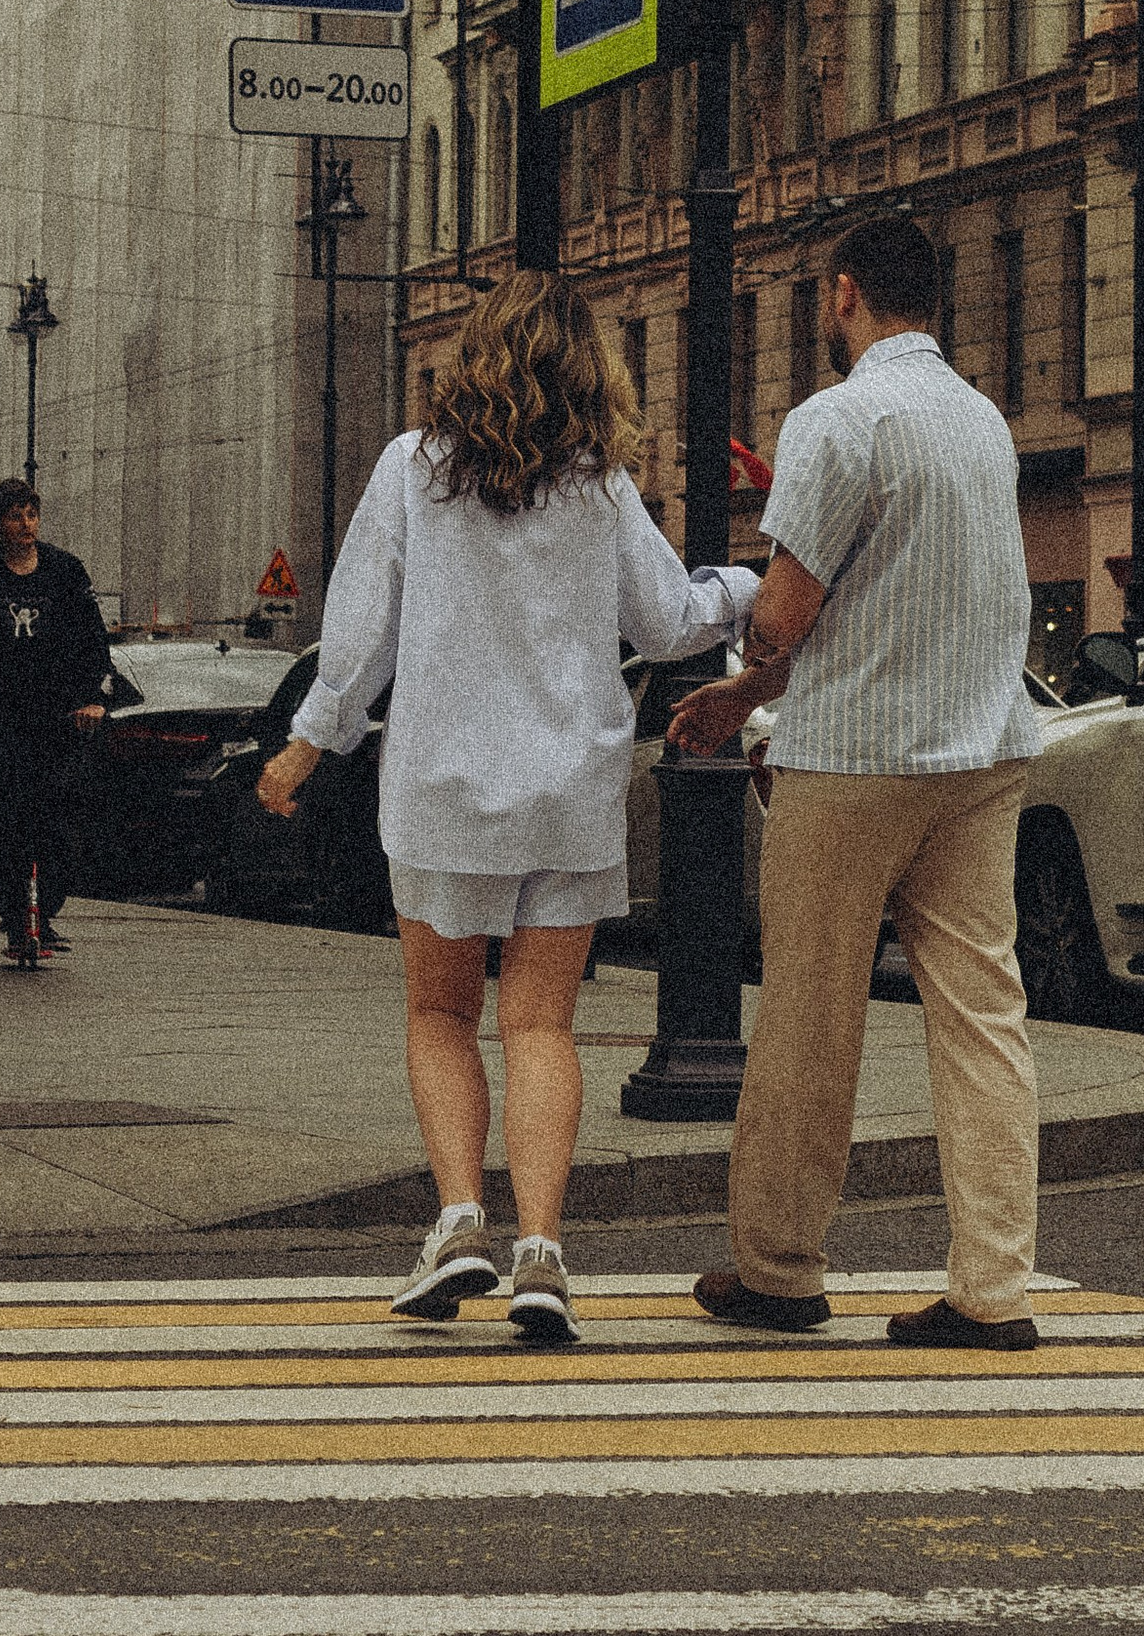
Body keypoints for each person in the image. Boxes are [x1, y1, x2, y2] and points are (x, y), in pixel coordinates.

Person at [258, 271, 756, 1344]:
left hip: (443, 784)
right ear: (589, 370)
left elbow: (361, 629)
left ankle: (458, 1222)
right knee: (541, 1023)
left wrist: (310, 743)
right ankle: (542, 1251)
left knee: (442, 1014)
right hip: (569, 787)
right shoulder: (601, 485)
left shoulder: (410, 469)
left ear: (474, 359)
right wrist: (759, 586)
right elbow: (671, 622)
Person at [668, 209, 1047, 1352]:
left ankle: (780, 1269)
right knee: (984, 1015)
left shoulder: (839, 419)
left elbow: (782, 613)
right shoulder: (983, 422)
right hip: (984, 752)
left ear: (842, 295)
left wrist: (738, 694)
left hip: (855, 756)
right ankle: (993, 1291)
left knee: (808, 1016)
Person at [0, 480, 115, 969]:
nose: (26, 524)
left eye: (32, 514)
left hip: (55, 719)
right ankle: (16, 918)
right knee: (6, 820)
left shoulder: (65, 571)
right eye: (15, 516)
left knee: (58, 820)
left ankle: (47, 908)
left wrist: (91, 699)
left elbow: (92, 641)